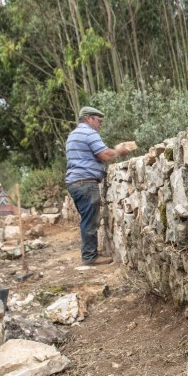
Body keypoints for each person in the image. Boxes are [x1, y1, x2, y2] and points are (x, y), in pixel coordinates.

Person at [65, 106, 132, 265]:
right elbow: (104, 154)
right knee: (90, 221)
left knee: (86, 219)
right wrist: (118, 151)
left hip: (75, 182)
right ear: (88, 118)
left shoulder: (73, 135)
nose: (100, 124)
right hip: (85, 182)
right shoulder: (89, 133)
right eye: (98, 120)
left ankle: (89, 253)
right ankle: (90, 257)